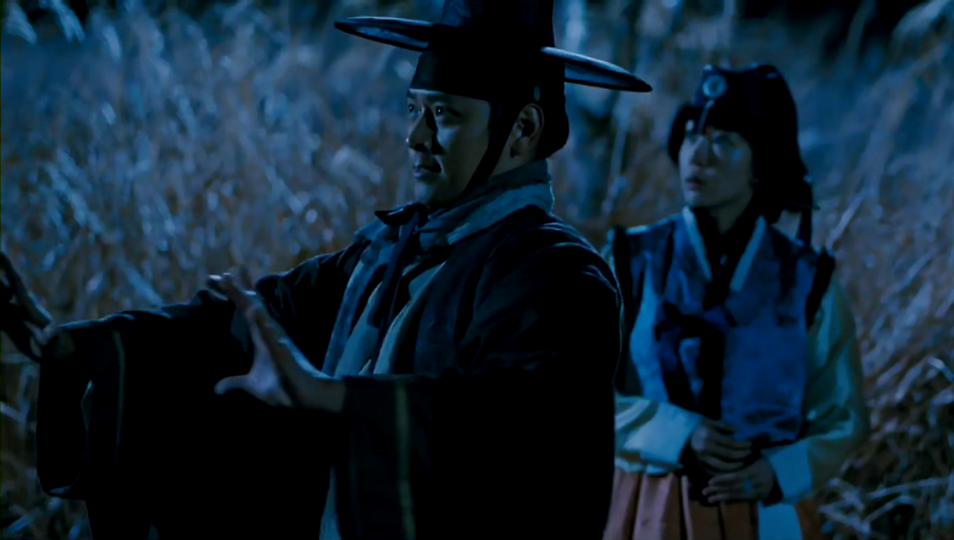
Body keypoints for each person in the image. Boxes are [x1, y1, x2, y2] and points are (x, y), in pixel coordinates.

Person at [0, 1, 653, 538]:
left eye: (445, 115)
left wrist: (339, 400)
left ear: (523, 129)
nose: (416, 138)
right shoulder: (386, 253)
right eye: (413, 110)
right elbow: (254, 317)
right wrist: (78, 344)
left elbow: (514, 428)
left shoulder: (559, 277)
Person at [602, 64, 870, 540]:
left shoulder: (808, 282)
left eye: (724, 141)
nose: (698, 155)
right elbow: (578, 395)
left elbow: (842, 416)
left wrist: (778, 472)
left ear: (761, 163)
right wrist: (678, 433)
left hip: (769, 516)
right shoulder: (631, 261)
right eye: (692, 135)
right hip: (648, 508)